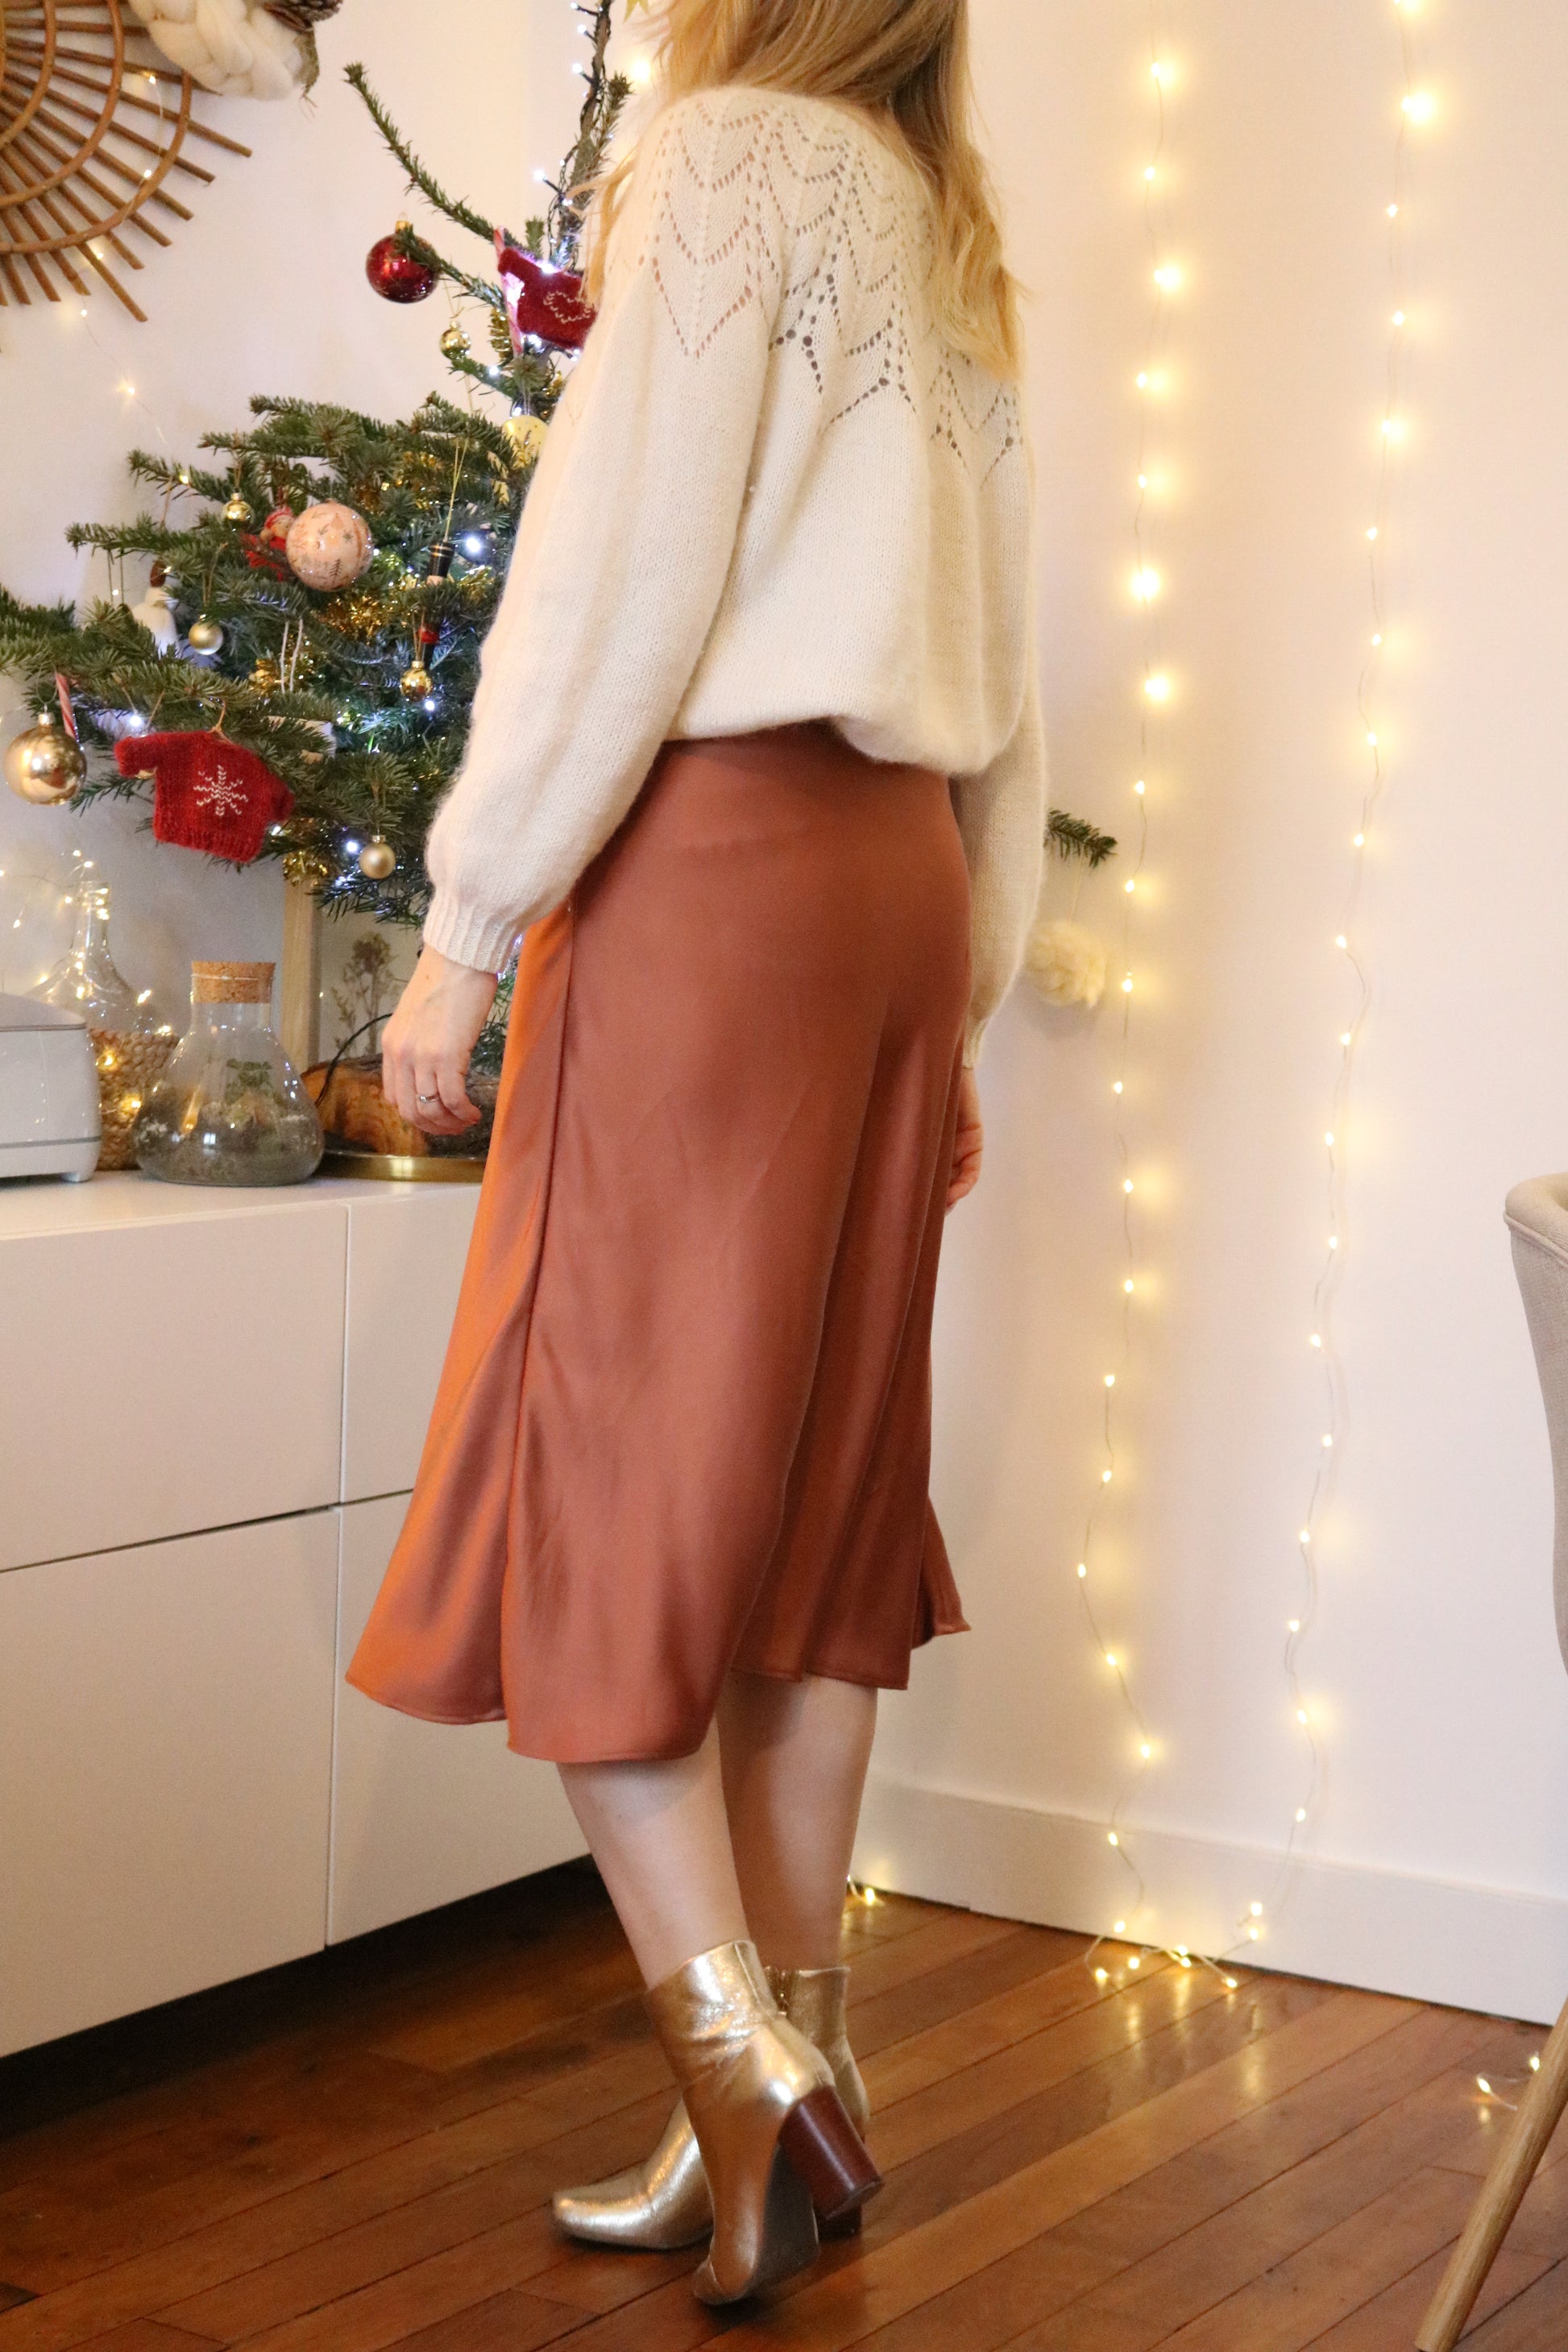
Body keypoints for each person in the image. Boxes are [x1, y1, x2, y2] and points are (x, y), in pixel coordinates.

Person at [346, 0, 1045, 2305]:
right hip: (890, 895)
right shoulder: (947, 224)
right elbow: (1009, 676)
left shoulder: (731, 155)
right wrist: (956, 1005)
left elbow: (617, 570)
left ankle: (740, 2075)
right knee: (814, 1517)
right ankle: (788, 2097)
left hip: (714, 873)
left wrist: (466, 929)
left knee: (606, 1486)